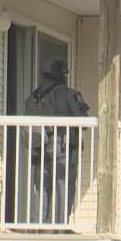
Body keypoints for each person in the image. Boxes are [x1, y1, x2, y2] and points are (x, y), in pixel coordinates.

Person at [25, 59, 89, 225]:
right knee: (63, 187)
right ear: (62, 76)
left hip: (39, 147)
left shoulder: (35, 97)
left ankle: (37, 226)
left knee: (41, 188)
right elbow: (84, 121)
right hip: (63, 146)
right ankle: (59, 226)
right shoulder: (69, 95)